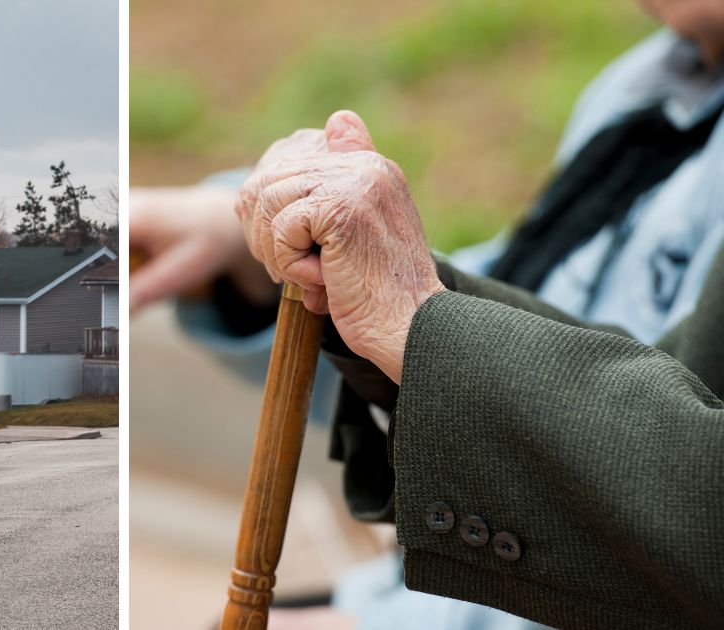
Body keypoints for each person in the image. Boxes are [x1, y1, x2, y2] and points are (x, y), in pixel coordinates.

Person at [131, 1, 724, 627]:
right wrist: (262, 254)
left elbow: (676, 498)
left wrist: (416, 323)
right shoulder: (648, 83)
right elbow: (565, 325)